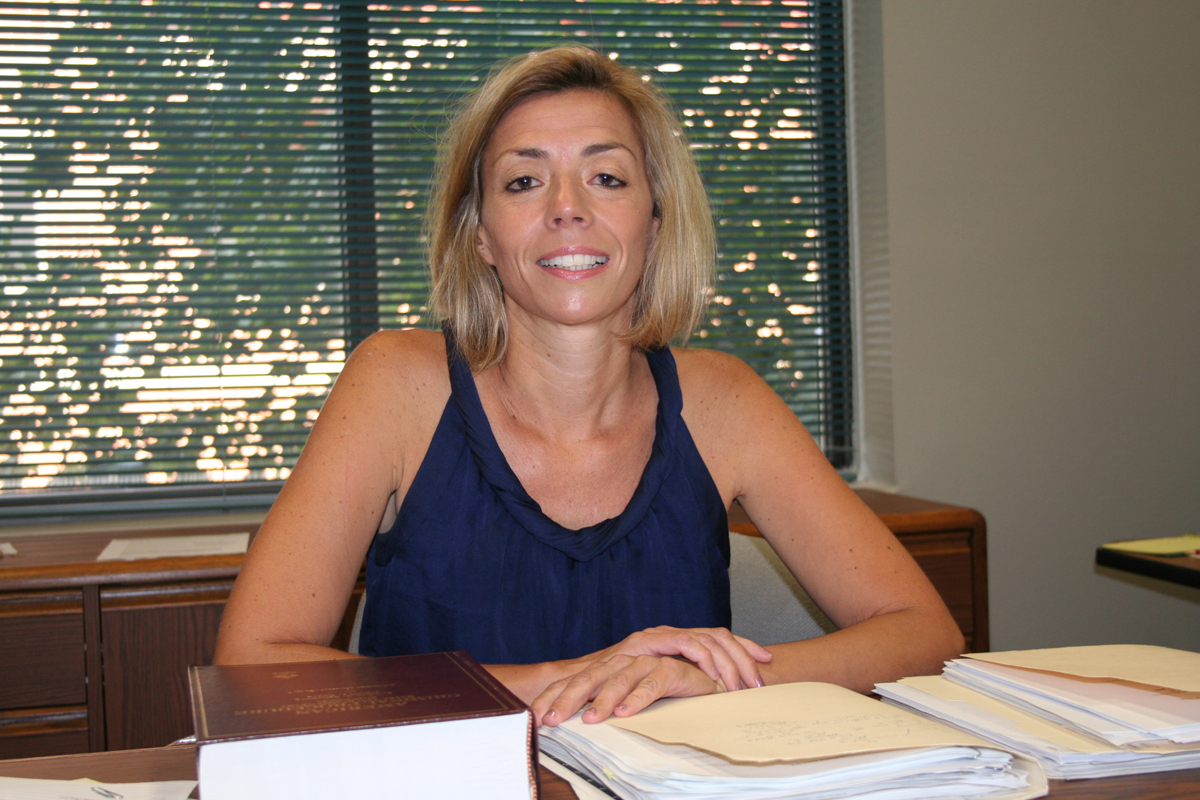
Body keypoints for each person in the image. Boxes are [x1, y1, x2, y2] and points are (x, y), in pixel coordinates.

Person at [214, 46, 963, 727]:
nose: (567, 206)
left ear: (656, 223)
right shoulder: (396, 386)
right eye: (524, 180)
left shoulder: (725, 401)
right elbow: (252, 664)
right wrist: (557, 682)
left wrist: (706, 680)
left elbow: (925, 633)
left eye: (607, 177)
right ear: (480, 235)